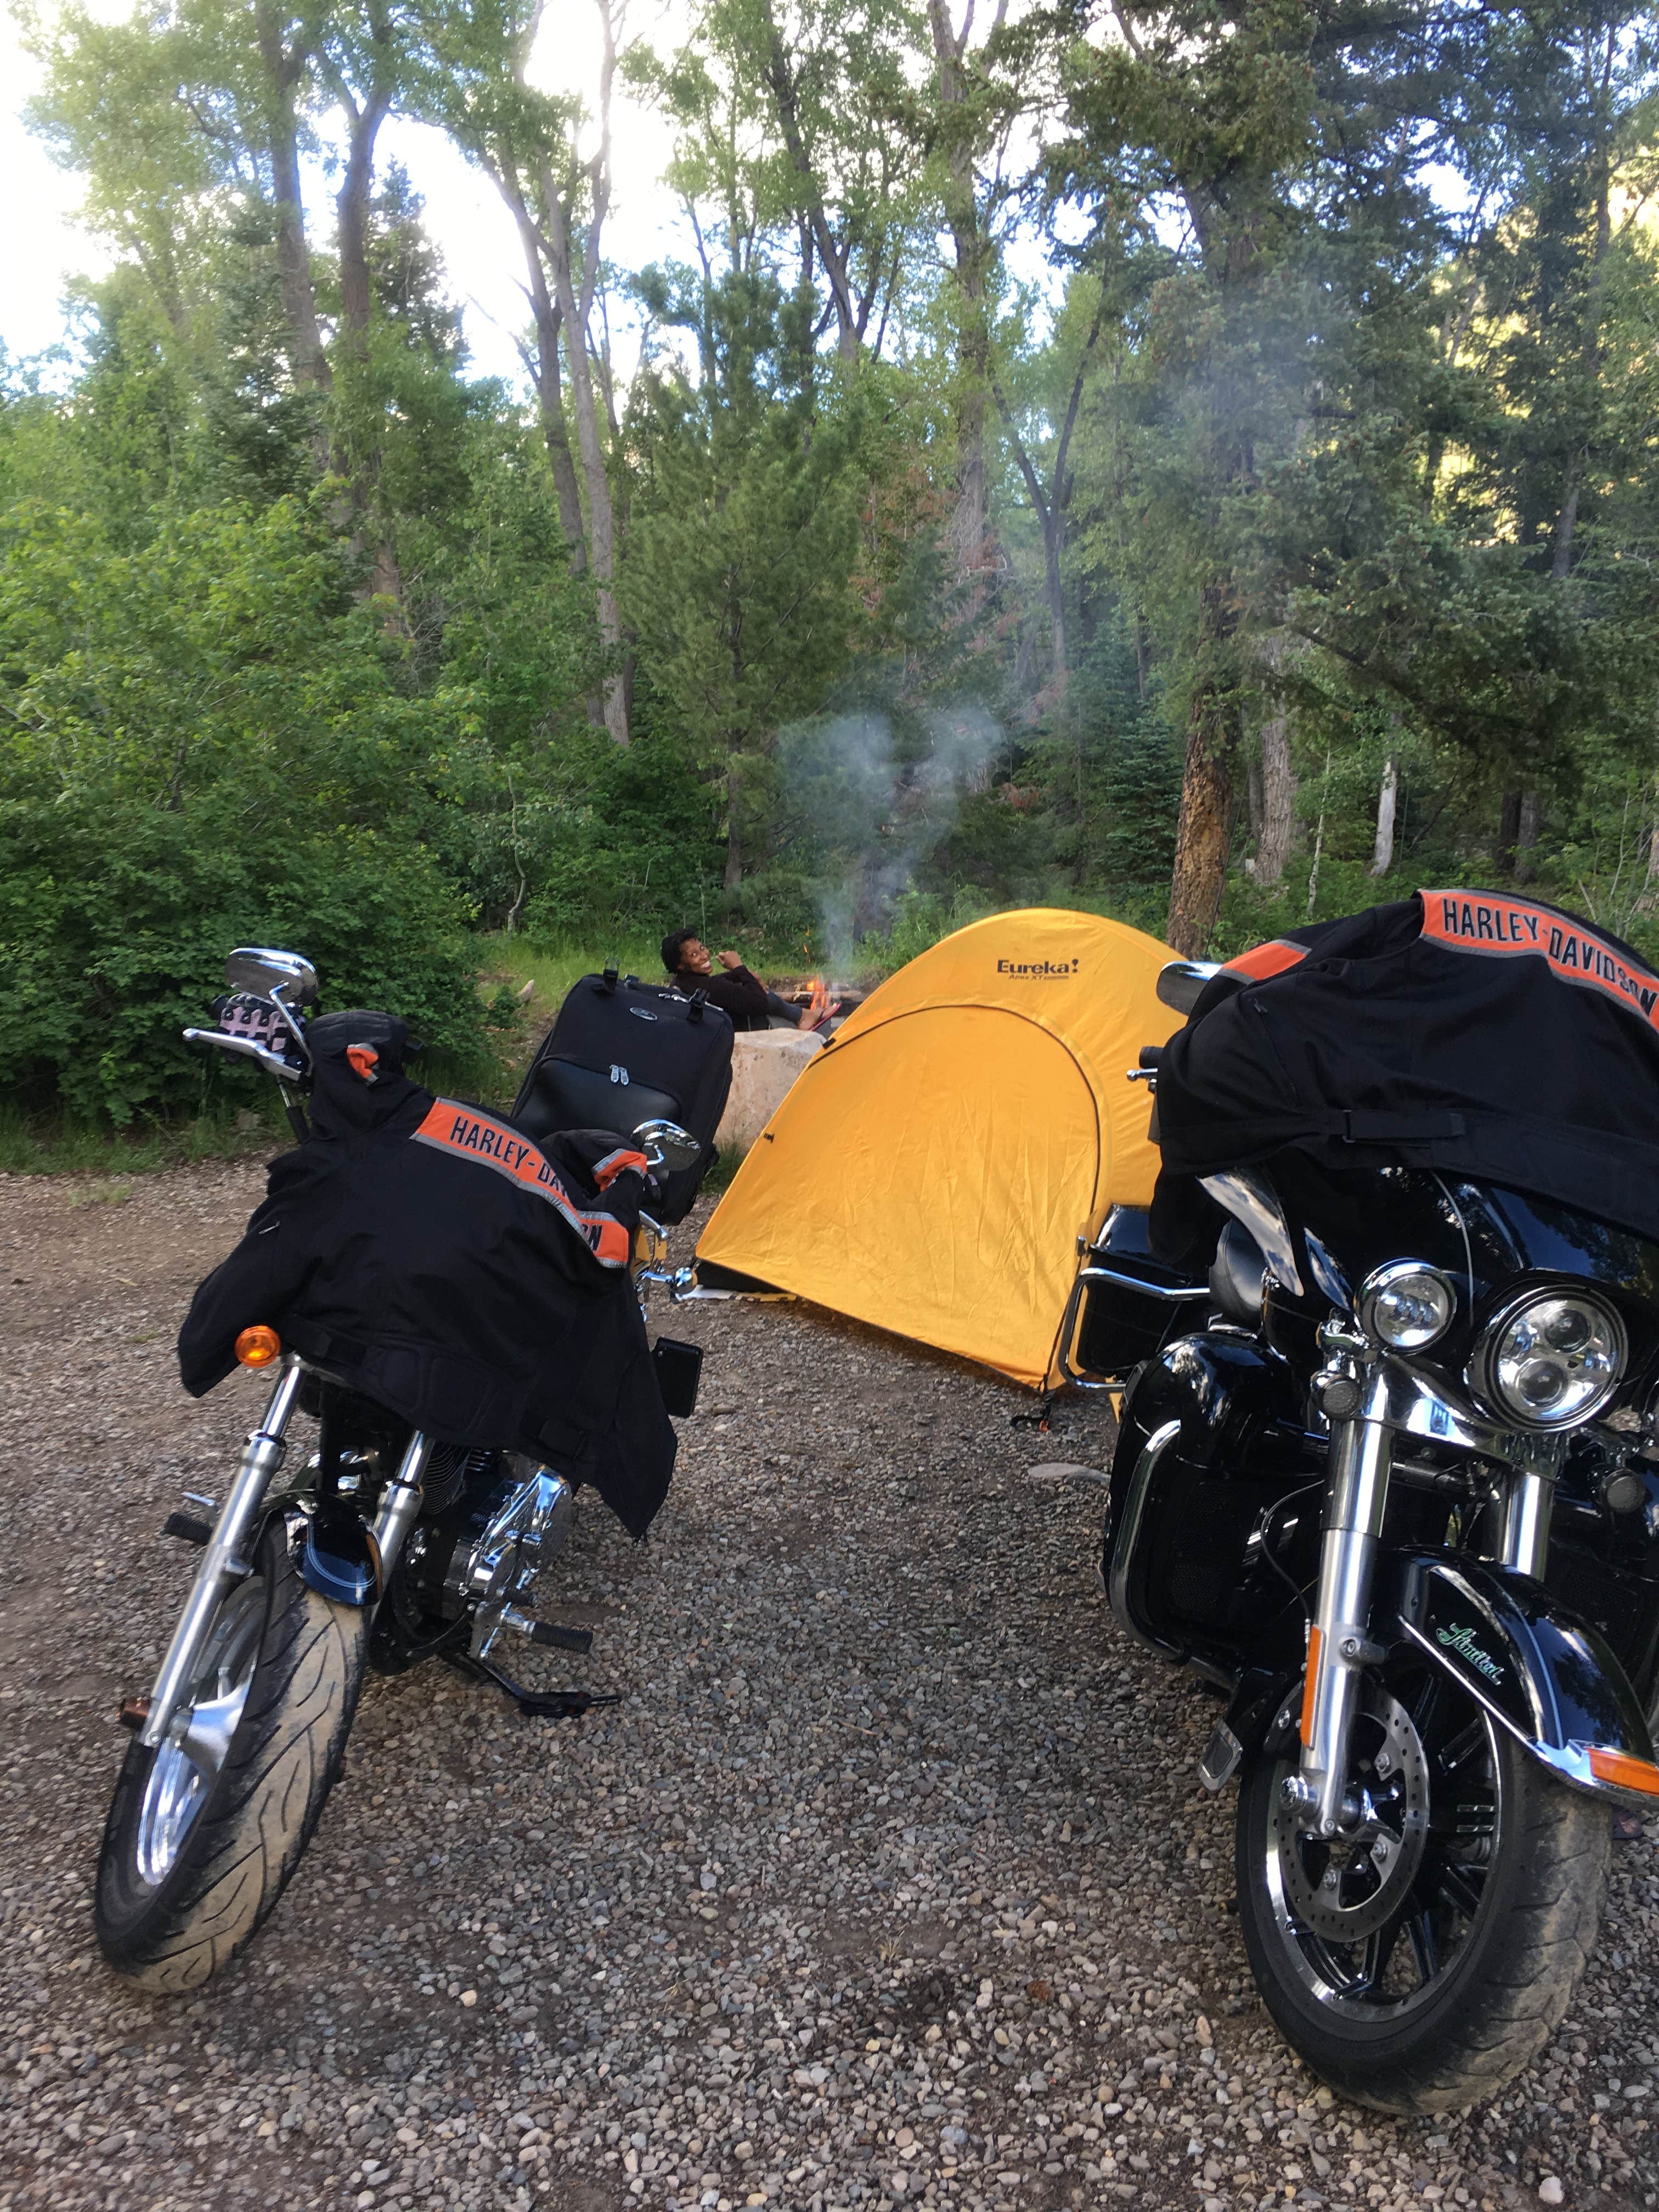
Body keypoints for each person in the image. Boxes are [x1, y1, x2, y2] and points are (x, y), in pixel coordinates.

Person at [661, 929, 819, 1032]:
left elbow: (717, 983)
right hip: (739, 1031)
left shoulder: (683, 982)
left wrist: (742, 974)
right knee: (762, 995)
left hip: (712, 1025)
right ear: (680, 965)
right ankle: (802, 1017)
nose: (704, 956)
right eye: (694, 955)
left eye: (702, 948)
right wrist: (738, 967)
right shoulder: (709, 987)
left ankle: (802, 1015)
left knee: (747, 983)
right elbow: (760, 1002)